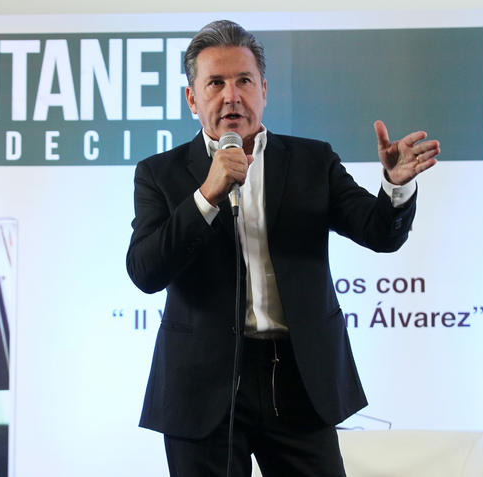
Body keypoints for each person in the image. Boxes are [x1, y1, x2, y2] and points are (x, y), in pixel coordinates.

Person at [126, 20, 439, 476]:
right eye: (215, 83)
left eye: (244, 81)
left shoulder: (313, 161)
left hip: (297, 378)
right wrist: (207, 195)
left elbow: (380, 234)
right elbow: (145, 270)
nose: (231, 96)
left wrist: (395, 185)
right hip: (201, 384)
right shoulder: (159, 173)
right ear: (192, 99)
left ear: (264, 90)